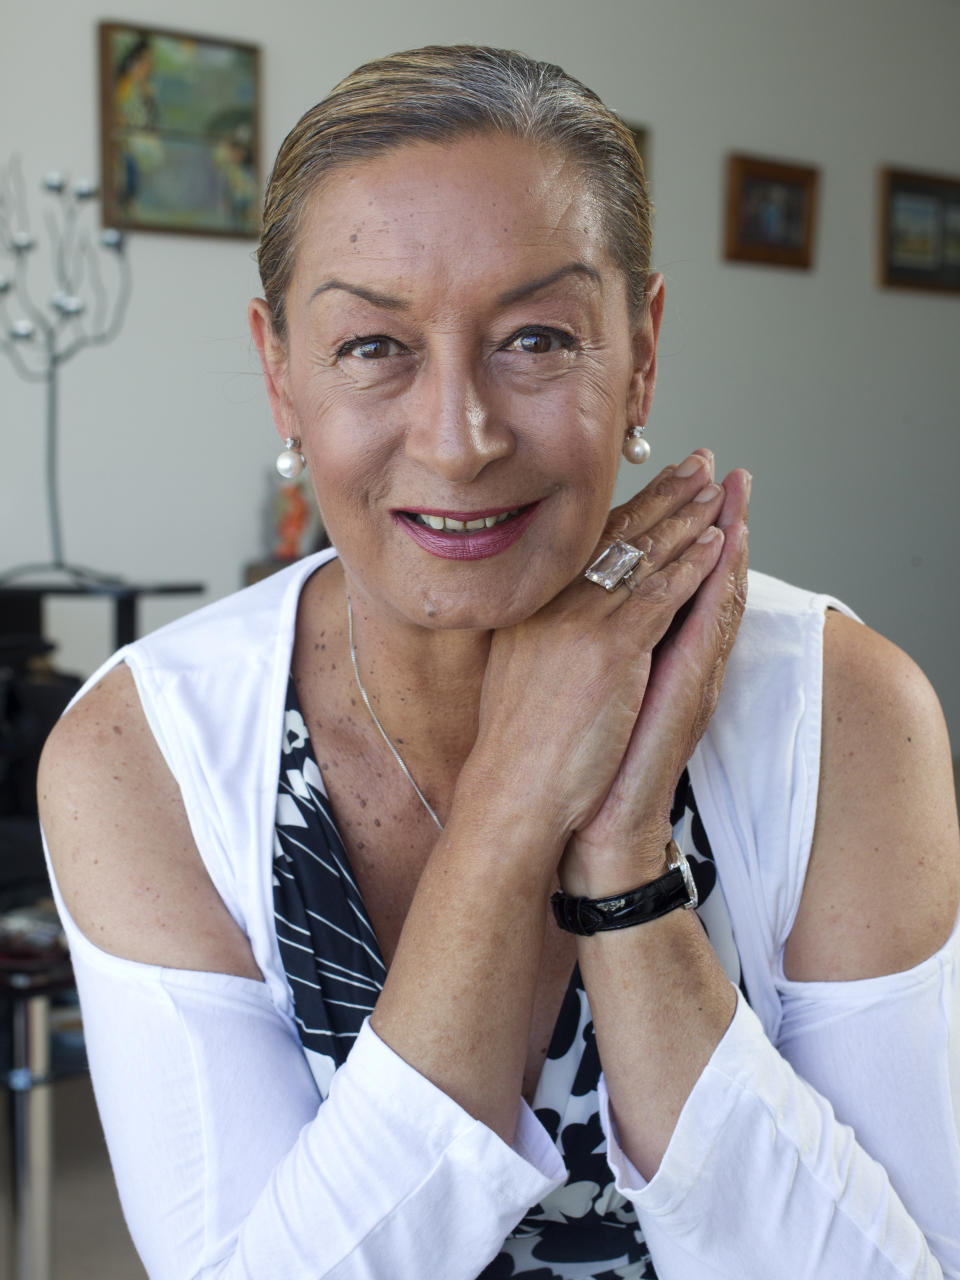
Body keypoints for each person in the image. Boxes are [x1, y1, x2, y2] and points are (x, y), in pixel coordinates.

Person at [38, 45, 960, 1280]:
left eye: (535, 338)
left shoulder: (843, 710)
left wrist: (624, 852)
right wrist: (518, 795)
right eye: (374, 346)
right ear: (280, 374)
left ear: (640, 352)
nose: (460, 438)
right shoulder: (140, 750)